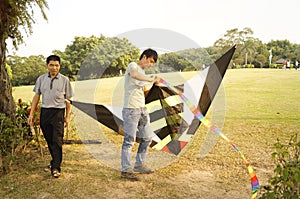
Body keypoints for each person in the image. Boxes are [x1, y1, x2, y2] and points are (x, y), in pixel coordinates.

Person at [28, 55, 74, 178]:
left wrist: (67, 117)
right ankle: (54, 161)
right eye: (51, 65)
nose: (54, 68)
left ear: (59, 66)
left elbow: (69, 100)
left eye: (57, 65)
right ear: (47, 66)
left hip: (58, 113)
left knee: (57, 140)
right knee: (49, 140)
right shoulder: (41, 79)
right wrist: (31, 114)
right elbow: (36, 97)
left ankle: (56, 167)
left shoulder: (65, 80)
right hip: (45, 112)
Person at [121, 48, 159, 181]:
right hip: (131, 109)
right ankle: (125, 170)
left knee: (147, 138)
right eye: (150, 61)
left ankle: (139, 164)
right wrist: (150, 79)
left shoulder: (143, 73)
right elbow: (134, 75)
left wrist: (156, 86)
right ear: (144, 57)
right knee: (129, 141)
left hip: (142, 109)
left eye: (152, 63)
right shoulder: (133, 66)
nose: (150, 65)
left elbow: (144, 93)